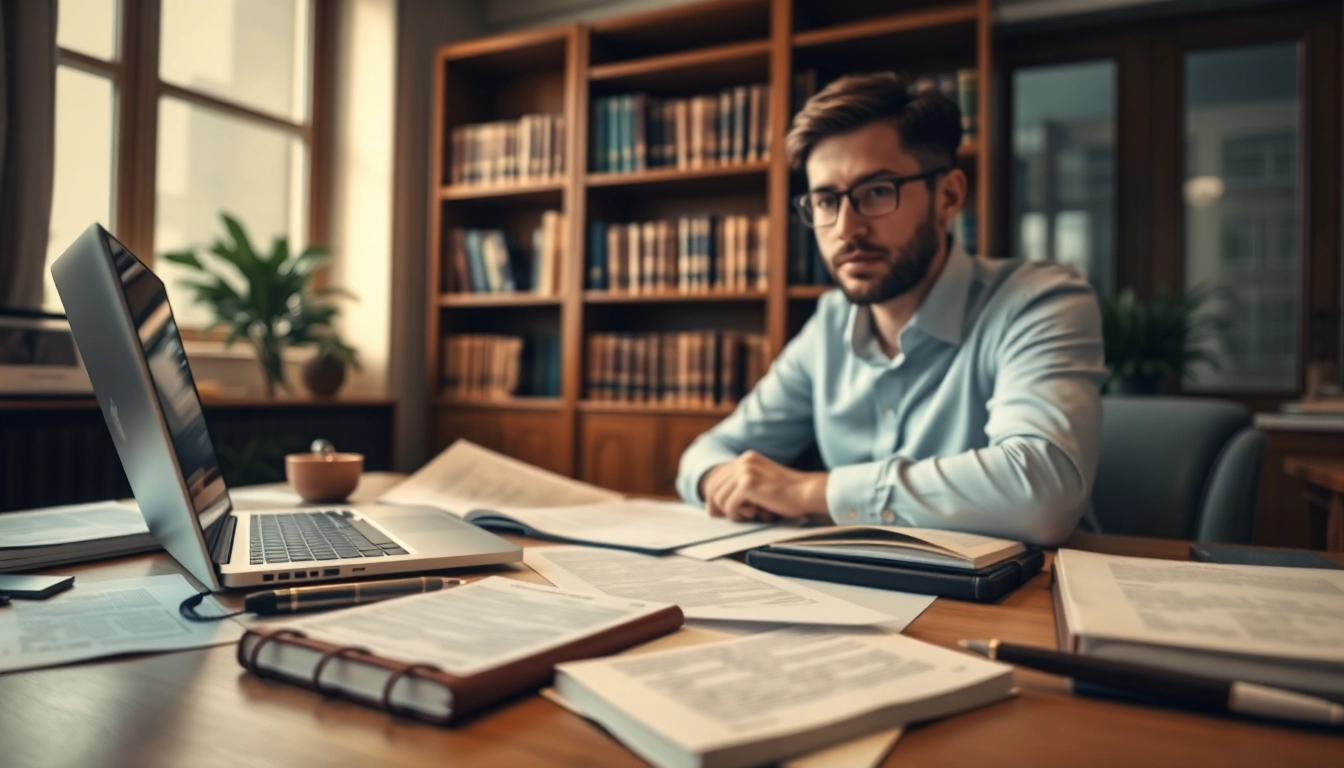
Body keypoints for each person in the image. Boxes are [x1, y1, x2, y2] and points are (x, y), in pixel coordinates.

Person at [675, 72, 1106, 546]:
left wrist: (811, 491)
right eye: (825, 201)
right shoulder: (830, 324)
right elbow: (710, 452)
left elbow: (1041, 493)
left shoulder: (1039, 302)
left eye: (877, 191)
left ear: (948, 196)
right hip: (862, 592)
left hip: (1026, 597)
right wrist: (720, 480)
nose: (846, 229)